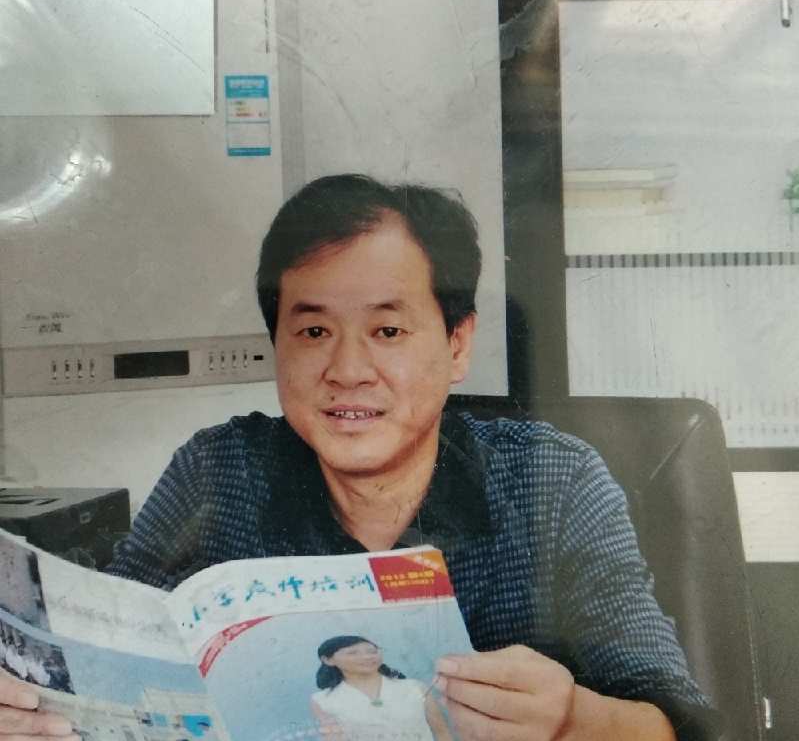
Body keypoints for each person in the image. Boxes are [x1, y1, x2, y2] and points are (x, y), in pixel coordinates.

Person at [0, 174, 719, 741]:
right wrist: (37, 711)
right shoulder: (219, 472)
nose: (346, 370)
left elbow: (675, 723)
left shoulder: (551, 480)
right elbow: (99, 668)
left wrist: (572, 720)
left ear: (458, 343)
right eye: (313, 331)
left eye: (387, 330)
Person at [310, 635, 451, 741]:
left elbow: (442, 732)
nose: (367, 657)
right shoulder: (323, 700)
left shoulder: (415, 687)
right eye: (352, 653)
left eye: (372, 651)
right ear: (328, 660)